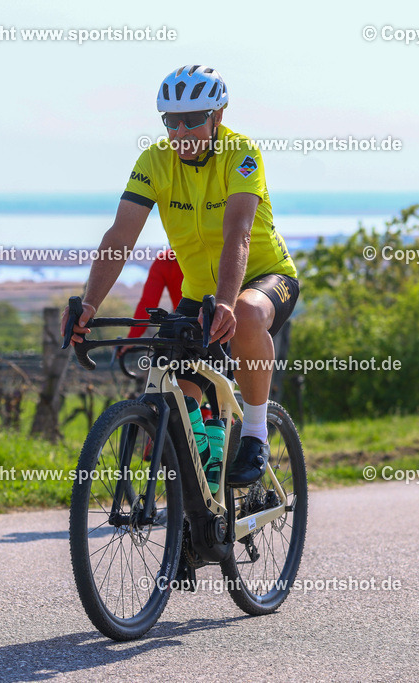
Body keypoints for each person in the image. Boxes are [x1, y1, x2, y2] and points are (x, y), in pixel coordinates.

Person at [64, 65, 300, 486]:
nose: (181, 132)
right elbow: (120, 235)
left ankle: (256, 432)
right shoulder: (153, 162)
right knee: (177, 403)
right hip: (200, 292)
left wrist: (227, 301)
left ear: (217, 117)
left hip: (264, 278)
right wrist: (89, 304)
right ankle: (200, 510)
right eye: (172, 122)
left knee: (245, 314)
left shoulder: (241, 154)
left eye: (192, 120)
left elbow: (238, 234)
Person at [126, 248, 183, 340]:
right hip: (188, 324)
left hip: (191, 323)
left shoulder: (164, 260)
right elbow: (148, 303)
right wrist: (132, 337)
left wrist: (132, 338)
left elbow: (147, 302)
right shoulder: (164, 260)